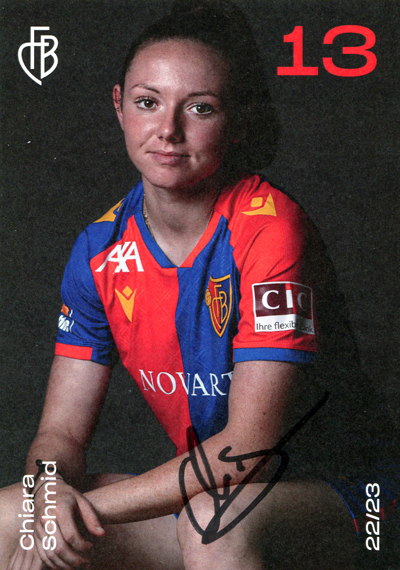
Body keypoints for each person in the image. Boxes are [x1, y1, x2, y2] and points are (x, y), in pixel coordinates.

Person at [1, 1, 397, 568]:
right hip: (215, 495)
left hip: (359, 504)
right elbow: (59, 434)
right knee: (12, 517)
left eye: (200, 108)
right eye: (147, 102)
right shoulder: (99, 249)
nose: (168, 130)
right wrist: (46, 494)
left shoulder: (269, 227)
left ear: (236, 121)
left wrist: (74, 513)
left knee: (212, 525)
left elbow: (248, 449)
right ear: (119, 107)